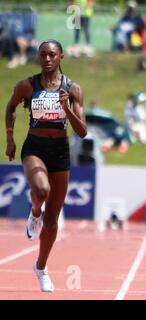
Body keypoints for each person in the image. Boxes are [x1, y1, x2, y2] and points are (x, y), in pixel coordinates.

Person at [4, 40, 87, 292]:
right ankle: (34, 212)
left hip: (60, 152)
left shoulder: (72, 89)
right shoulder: (27, 86)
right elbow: (10, 107)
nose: (47, 59)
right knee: (41, 189)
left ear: (61, 56)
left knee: (53, 221)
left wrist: (67, 109)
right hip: (34, 148)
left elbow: (82, 132)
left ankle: (41, 267)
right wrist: (10, 137)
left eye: (52, 55)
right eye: (42, 55)